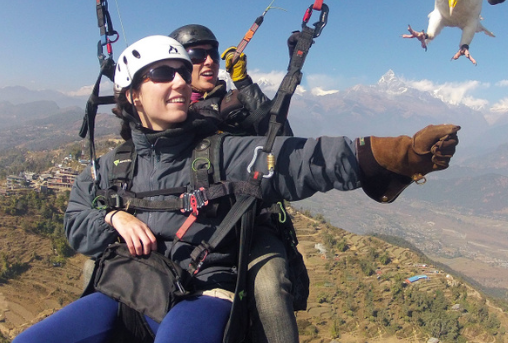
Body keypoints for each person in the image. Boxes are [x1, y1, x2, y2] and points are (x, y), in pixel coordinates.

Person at [13, 35, 459, 343]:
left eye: (181, 72)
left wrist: (399, 154)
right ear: (130, 95)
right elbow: (76, 218)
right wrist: (112, 217)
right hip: (126, 290)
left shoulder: (222, 153)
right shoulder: (111, 167)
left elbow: (302, 159)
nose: (180, 82)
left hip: (200, 291)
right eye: (163, 74)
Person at [168, 24, 298, 343]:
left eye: (212, 53)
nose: (209, 61)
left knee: (269, 286)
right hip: (185, 224)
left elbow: (283, 141)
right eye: (197, 55)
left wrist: (244, 83)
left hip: (249, 224)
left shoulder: (238, 103)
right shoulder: (167, 111)